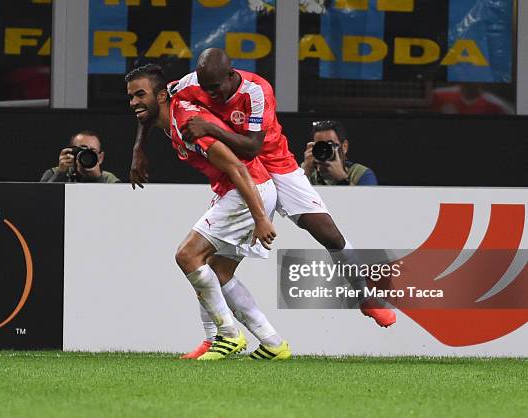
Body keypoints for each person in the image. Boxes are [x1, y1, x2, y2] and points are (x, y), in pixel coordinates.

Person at [130, 49, 395, 347]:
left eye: (215, 88)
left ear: (231, 75)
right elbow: (151, 104)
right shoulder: (190, 84)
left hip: (274, 165)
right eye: (205, 89)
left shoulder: (258, 91)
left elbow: (252, 148)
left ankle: (364, 295)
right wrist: (140, 148)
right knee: (210, 264)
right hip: (240, 174)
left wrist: (210, 127)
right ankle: (221, 338)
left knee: (328, 234)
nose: (210, 95)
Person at [126, 64, 291, 361]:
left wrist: (260, 218)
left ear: (162, 95)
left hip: (247, 190)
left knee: (187, 255)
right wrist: (139, 148)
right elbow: (147, 119)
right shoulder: (170, 116)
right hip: (245, 189)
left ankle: (228, 336)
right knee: (219, 271)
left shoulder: (188, 122)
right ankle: (273, 342)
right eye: (131, 97)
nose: (134, 102)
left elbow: (237, 167)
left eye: (140, 95)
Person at [302, 120, 377, 186]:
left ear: (344, 147)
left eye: (330, 145)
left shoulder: (361, 174)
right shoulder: (303, 171)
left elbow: (365, 201)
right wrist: (304, 173)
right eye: (320, 145)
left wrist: (342, 179)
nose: (325, 150)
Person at [40, 131, 120, 183]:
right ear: (70, 151)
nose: (87, 155)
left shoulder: (108, 179)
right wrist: (60, 175)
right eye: (82, 150)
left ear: (100, 157)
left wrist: (98, 178)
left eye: (92, 151)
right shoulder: (54, 173)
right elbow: (42, 198)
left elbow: (119, 202)